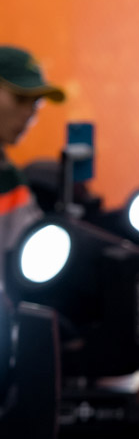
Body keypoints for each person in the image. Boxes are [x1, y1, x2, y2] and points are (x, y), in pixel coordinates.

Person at [0, 46, 64, 294]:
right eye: (20, 98)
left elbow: (32, 253)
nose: (29, 113)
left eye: (36, 102)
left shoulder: (11, 180)